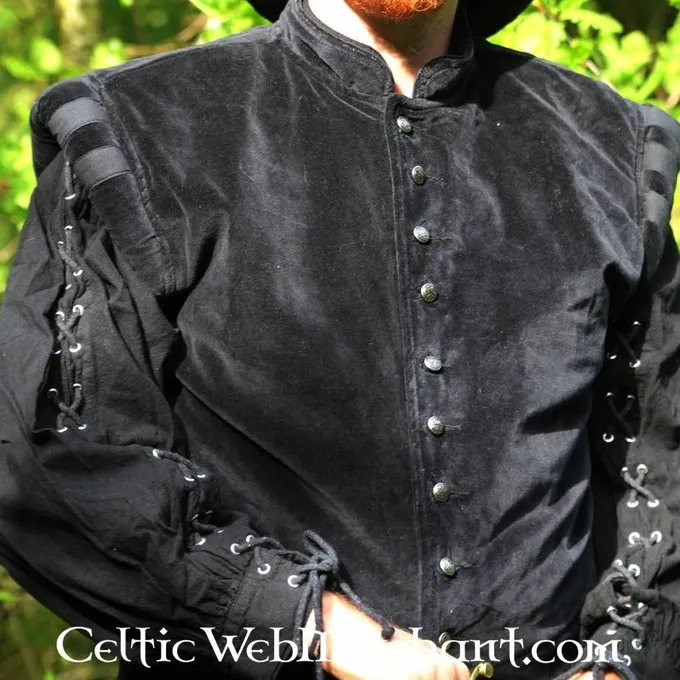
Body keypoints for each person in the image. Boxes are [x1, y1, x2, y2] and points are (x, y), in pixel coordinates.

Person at [0, 0, 678, 678]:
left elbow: (656, 454)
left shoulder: (606, 145)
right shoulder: (139, 129)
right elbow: (50, 452)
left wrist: (621, 660)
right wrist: (310, 623)